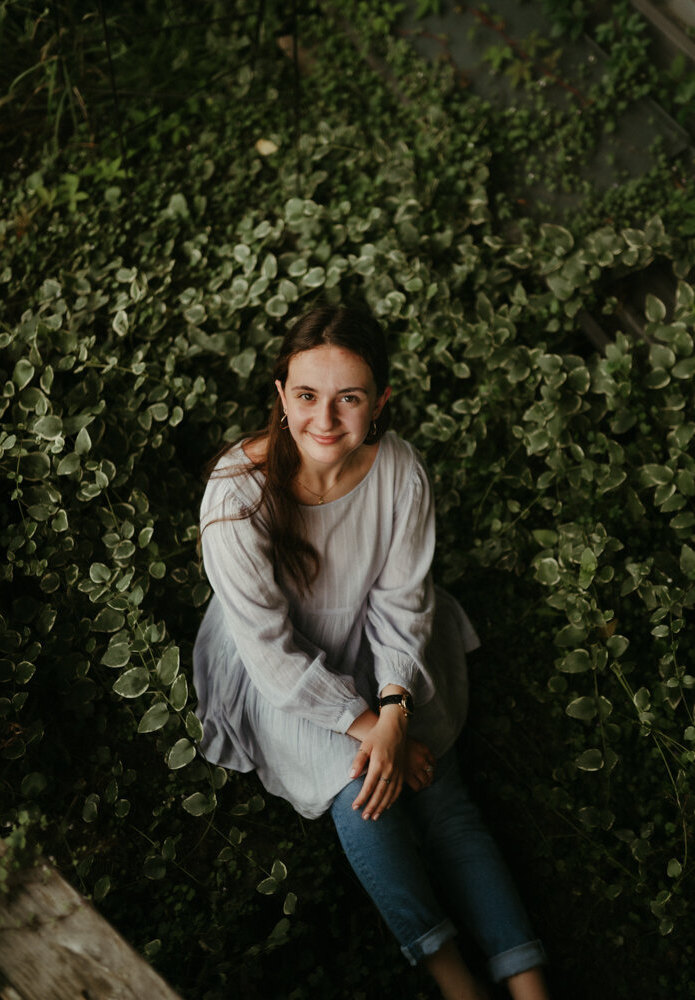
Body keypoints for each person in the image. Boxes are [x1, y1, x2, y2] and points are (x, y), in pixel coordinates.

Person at [193, 305, 550, 1000]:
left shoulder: (400, 472)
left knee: (443, 796)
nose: (324, 420)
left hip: (385, 646)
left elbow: (401, 603)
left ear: (380, 402)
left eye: (349, 399)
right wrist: (372, 733)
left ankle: (530, 983)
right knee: (363, 796)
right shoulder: (236, 498)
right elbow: (269, 648)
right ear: (280, 395)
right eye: (306, 396)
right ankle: (456, 981)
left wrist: (394, 708)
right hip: (285, 674)